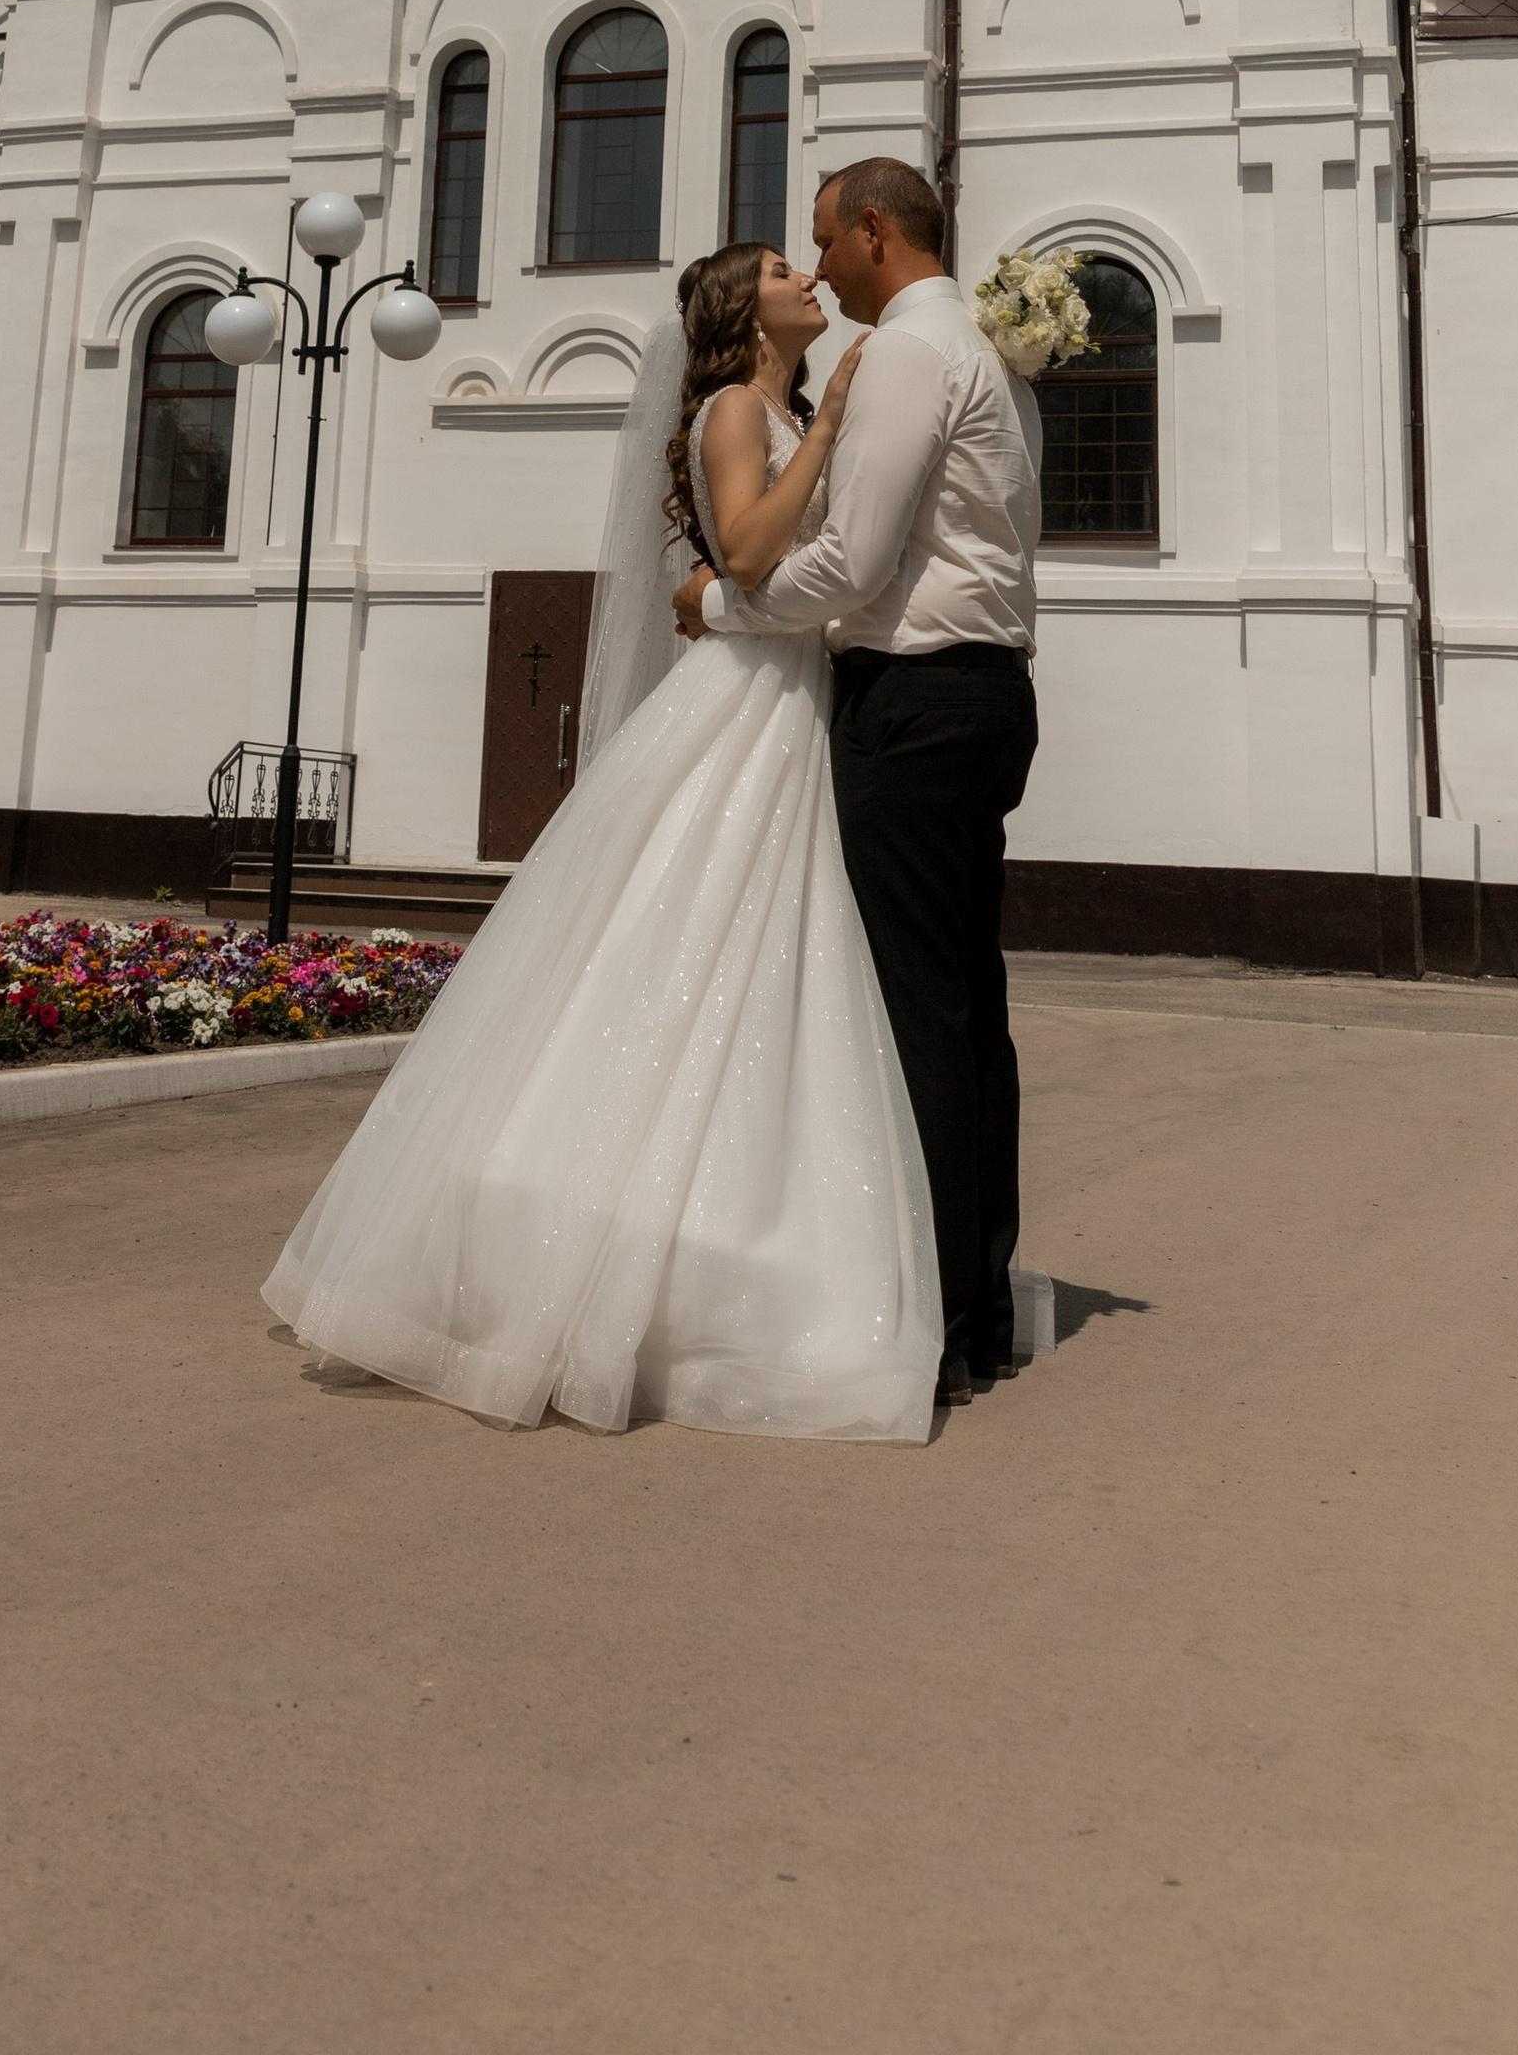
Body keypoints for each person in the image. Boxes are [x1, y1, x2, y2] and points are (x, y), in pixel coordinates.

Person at [262, 240, 944, 1442]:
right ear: (744, 312)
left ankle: (732, 1232)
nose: (807, 278)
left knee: (764, 958)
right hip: (745, 699)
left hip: (794, 694)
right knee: (679, 939)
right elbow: (746, 556)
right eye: (780, 271)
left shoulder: (780, 410)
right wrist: (833, 429)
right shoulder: (736, 409)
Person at [674, 157, 1042, 1405]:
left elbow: (852, 561)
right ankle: (976, 1303)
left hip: (917, 702)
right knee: (964, 1010)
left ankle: (934, 1317)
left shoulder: (904, 356)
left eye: (823, 239)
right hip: (982, 694)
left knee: (917, 1017)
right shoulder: (979, 352)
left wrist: (716, 606)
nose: (818, 264)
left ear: (873, 232)